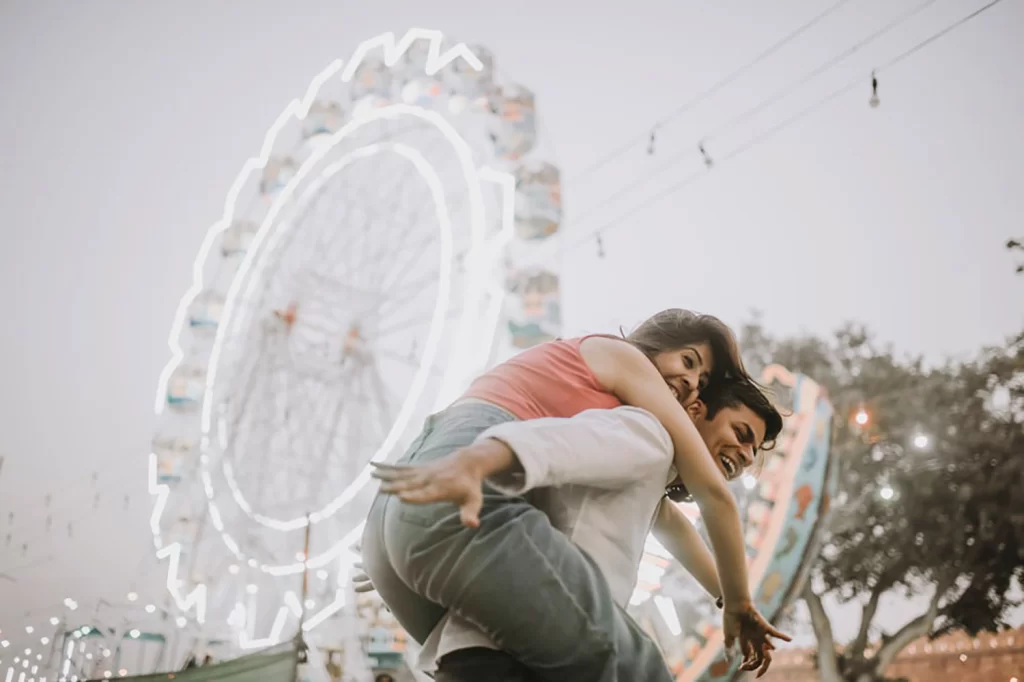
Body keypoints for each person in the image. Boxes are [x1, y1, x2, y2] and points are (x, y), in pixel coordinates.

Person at [360, 309, 784, 681]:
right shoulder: (637, 393)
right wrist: (739, 607)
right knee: (637, 669)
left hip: (405, 510)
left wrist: (724, 595)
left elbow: (674, 527)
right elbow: (715, 495)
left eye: (701, 380)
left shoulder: (624, 444)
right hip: (468, 463)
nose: (690, 383)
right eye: (688, 362)